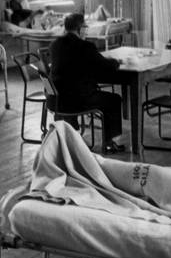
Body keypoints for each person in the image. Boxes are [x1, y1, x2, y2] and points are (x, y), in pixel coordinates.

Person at [49, 13, 125, 154]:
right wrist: (116, 62)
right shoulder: (86, 47)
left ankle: (69, 135)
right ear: (81, 29)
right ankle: (108, 142)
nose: (86, 30)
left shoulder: (55, 45)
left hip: (56, 99)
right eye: (85, 27)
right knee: (114, 99)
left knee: (76, 88)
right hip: (78, 101)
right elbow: (104, 66)